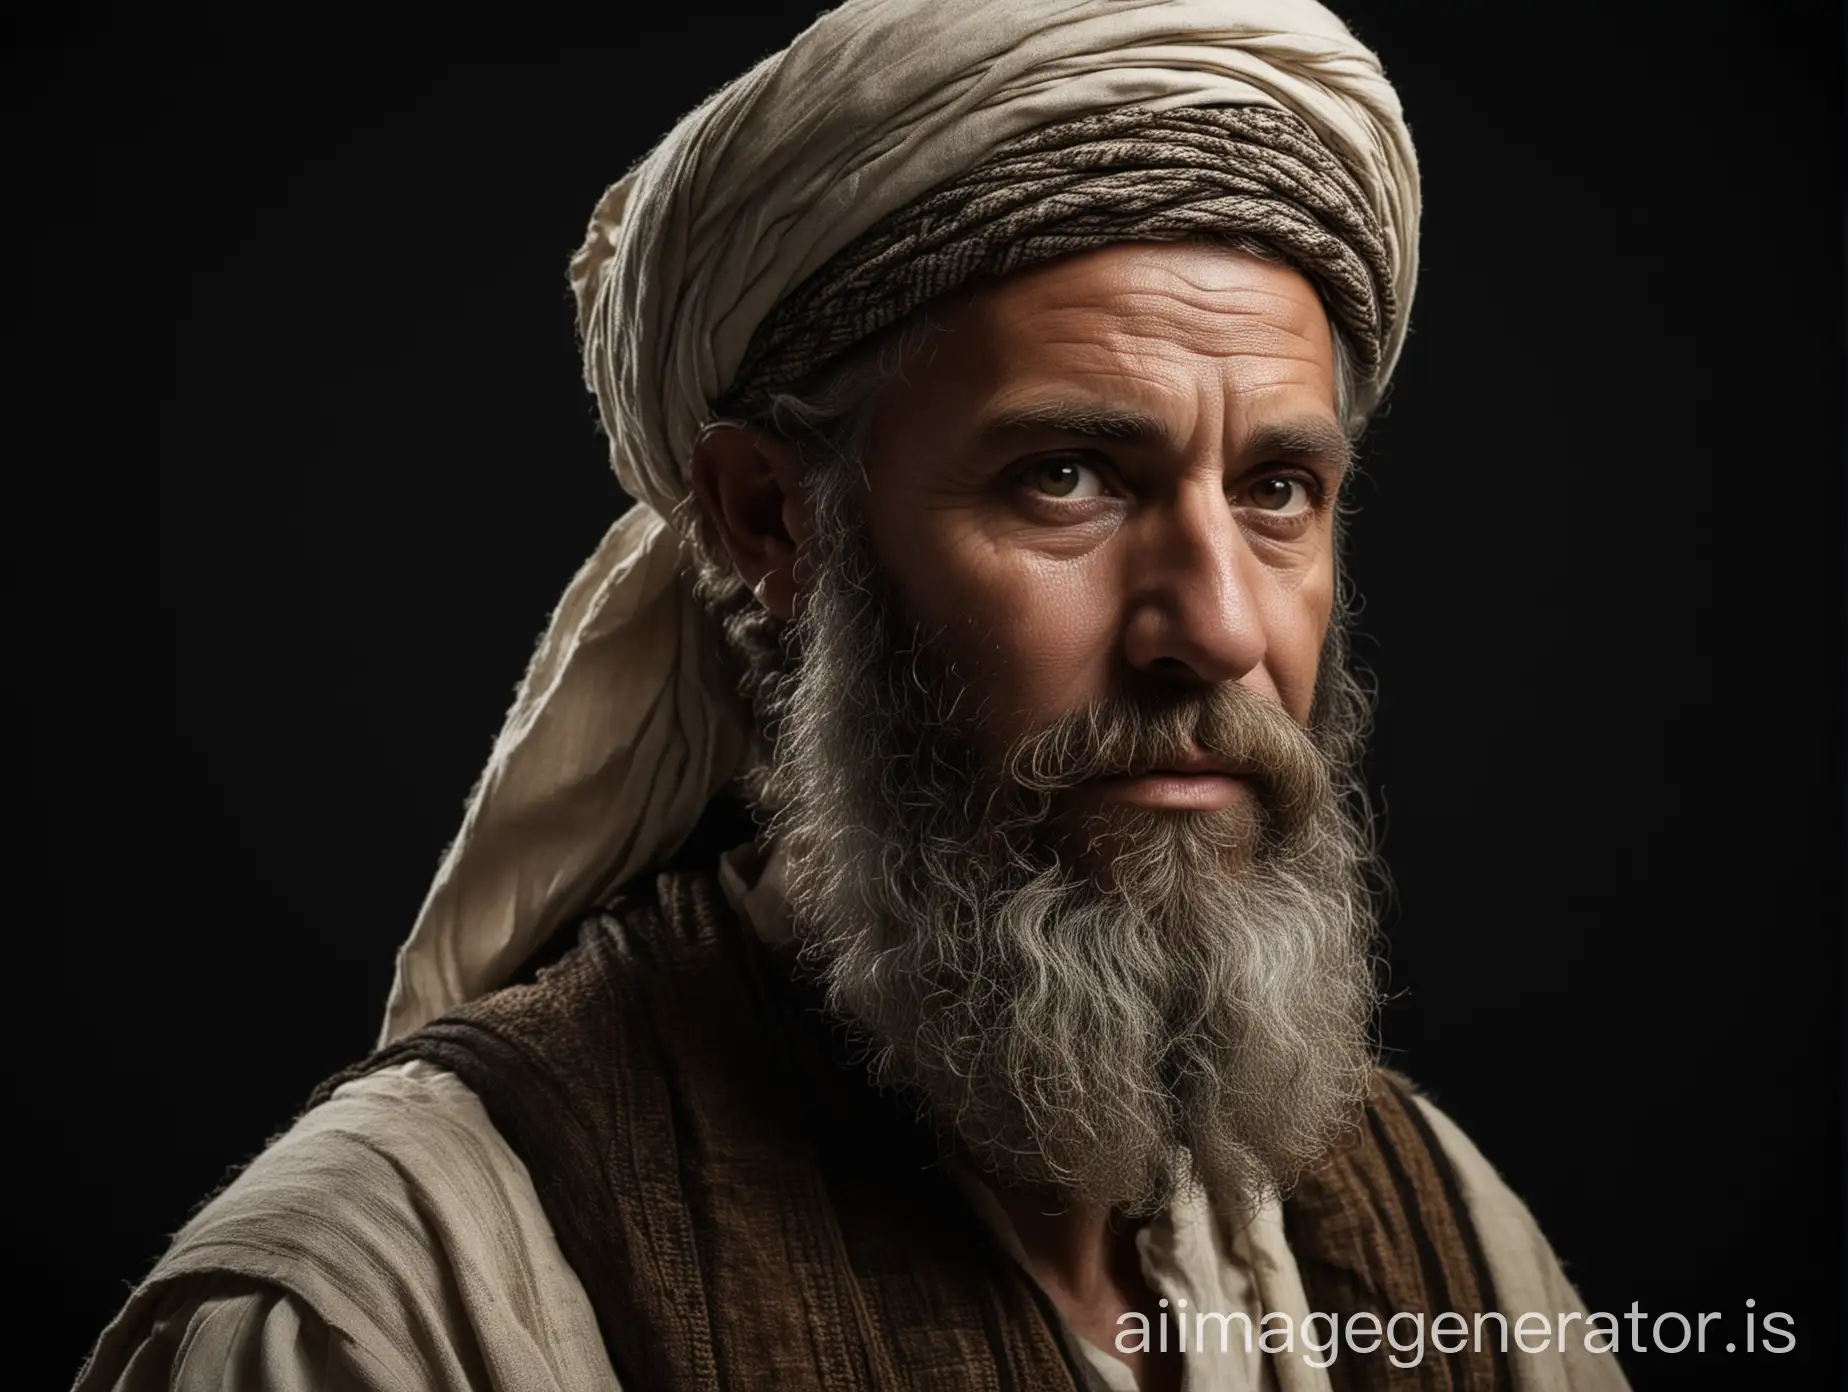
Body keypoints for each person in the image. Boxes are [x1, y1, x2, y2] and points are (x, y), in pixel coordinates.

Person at [75, 2, 1631, 1388]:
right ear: (774, 525)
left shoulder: (1454, 1248)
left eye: (1279, 487)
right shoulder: (380, 1314)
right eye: (1069, 477)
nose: (1215, 629)